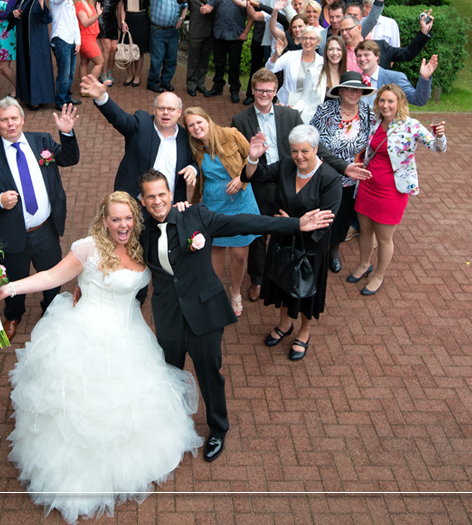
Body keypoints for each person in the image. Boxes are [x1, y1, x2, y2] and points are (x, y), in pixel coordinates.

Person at [0, 191, 202, 523]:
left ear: (136, 219)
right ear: (104, 220)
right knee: (79, 409)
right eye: (115, 218)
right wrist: (10, 288)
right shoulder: (88, 249)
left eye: (128, 218)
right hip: (84, 335)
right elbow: (52, 277)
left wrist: (184, 211)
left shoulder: (142, 245)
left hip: (129, 333)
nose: (122, 225)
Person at [140, 169, 335, 457]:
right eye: (150, 197)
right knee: (170, 374)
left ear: (171, 194)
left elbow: (243, 222)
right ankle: (174, 424)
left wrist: (296, 225)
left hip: (203, 314)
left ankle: (218, 429)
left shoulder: (197, 217)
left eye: (161, 194)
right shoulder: (139, 230)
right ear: (142, 201)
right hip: (168, 315)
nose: (157, 201)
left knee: (209, 375)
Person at [231, 68, 367, 303]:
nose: (264, 94)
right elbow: (235, 156)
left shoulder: (290, 116)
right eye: (260, 90)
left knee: (290, 228)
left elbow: (314, 146)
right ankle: (257, 279)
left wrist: (343, 167)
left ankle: (290, 274)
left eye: (269, 90)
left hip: (291, 180)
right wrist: (241, 175)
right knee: (259, 233)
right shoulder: (240, 120)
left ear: (276, 92)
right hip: (262, 181)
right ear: (253, 90)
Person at [0, 98, 80, 340]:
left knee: (52, 274)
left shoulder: (41, 141)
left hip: (45, 228)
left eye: (14, 118)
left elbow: (69, 159)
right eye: (4, 120)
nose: (10, 124)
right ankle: (13, 314)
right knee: (14, 277)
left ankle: (52, 309)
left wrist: (67, 134)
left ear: (22, 119)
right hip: (12, 231)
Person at [241, 125, 342, 361]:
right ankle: (284, 324)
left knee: (307, 292)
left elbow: (323, 222)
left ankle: (304, 332)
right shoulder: (286, 165)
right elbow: (255, 175)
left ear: (316, 148)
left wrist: (292, 224)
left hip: (311, 249)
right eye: (295, 151)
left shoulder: (330, 179)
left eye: (305, 151)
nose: (299, 157)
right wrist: (252, 158)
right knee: (282, 283)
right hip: (282, 241)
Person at [350, 84, 447, 295]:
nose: (385, 105)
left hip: (392, 191)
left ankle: (379, 275)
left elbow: (438, 148)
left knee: (384, 238)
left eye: (390, 101)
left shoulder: (412, 126)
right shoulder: (374, 122)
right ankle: (364, 264)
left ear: (401, 103)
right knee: (365, 231)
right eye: (382, 101)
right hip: (367, 185)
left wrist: (439, 135)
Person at [184, 107, 260, 316]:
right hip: (213, 203)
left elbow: (251, 158)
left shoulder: (231, 134)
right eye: (191, 125)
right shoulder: (194, 147)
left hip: (240, 202)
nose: (196, 127)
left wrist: (241, 178)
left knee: (238, 253)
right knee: (216, 249)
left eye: (199, 122)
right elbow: (191, 165)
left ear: (208, 120)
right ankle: (215, 291)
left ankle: (235, 291)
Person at [81, 74, 196, 203]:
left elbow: (198, 160)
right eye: (161, 108)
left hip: (169, 205)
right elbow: (119, 118)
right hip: (135, 203)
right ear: (154, 110)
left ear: (179, 112)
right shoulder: (141, 124)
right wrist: (102, 98)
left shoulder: (185, 137)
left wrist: (193, 168)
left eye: (171, 109)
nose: (166, 113)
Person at [310, 71, 376, 274]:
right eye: (349, 88)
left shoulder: (367, 113)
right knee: (321, 214)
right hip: (324, 175)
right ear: (340, 91)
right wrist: (340, 165)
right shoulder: (325, 110)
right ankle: (315, 251)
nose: (353, 93)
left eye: (358, 89)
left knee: (342, 217)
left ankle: (334, 251)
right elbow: (313, 141)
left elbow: (376, 139)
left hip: (351, 179)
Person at [200, 0, 249, 101]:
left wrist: (245, 32)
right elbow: (211, 5)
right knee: (219, 63)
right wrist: (205, 9)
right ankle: (218, 87)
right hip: (219, 33)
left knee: (234, 65)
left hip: (236, 34)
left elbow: (251, 14)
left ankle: (234, 90)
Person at [146, 0, 187, 93]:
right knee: (157, 59)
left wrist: (181, 19)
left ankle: (165, 81)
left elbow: (185, 6)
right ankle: (152, 82)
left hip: (173, 31)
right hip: (158, 30)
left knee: (171, 59)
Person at [266, 26, 324, 121]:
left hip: (308, 108)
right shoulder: (290, 55)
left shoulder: (322, 62)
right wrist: (276, 54)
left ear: (318, 42)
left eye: (312, 38)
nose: (307, 41)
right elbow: (269, 69)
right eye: (304, 38)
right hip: (285, 103)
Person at [49, 0, 87, 109]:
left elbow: (74, 23)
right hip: (60, 41)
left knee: (70, 73)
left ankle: (67, 97)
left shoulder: (70, 1)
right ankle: (60, 102)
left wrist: (78, 41)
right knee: (63, 74)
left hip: (71, 41)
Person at [11, 0, 53, 109]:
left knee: (36, 68)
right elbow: (13, 15)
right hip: (24, 40)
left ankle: (36, 100)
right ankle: (27, 96)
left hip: (35, 42)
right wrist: (14, 14)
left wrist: (41, 2)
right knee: (26, 66)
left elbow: (43, 17)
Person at [357, 40, 437, 107]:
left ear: (377, 56)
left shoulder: (395, 78)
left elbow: (418, 100)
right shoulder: (355, 80)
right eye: (359, 56)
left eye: (366, 55)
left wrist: (424, 78)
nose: (362, 59)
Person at [178, 0, 217, 97]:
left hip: (210, 30)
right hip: (196, 31)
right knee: (194, 60)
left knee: (204, 60)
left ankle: (201, 84)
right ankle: (191, 85)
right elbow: (181, 0)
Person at [117, 0, 152, 87]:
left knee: (138, 51)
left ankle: (137, 76)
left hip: (141, 20)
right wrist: (122, 21)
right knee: (126, 50)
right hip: (128, 21)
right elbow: (122, 7)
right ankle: (129, 74)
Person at [74, 0, 104, 81]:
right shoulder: (80, 5)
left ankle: (84, 88)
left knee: (84, 62)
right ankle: (89, 86)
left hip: (88, 38)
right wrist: (98, 14)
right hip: (87, 39)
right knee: (100, 62)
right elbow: (85, 22)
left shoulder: (86, 3)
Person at [318, 34, 347, 100]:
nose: (335, 53)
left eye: (339, 49)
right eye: (331, 49)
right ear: (326, 52)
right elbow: (305, 98)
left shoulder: (347, 75)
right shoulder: (314, 73)